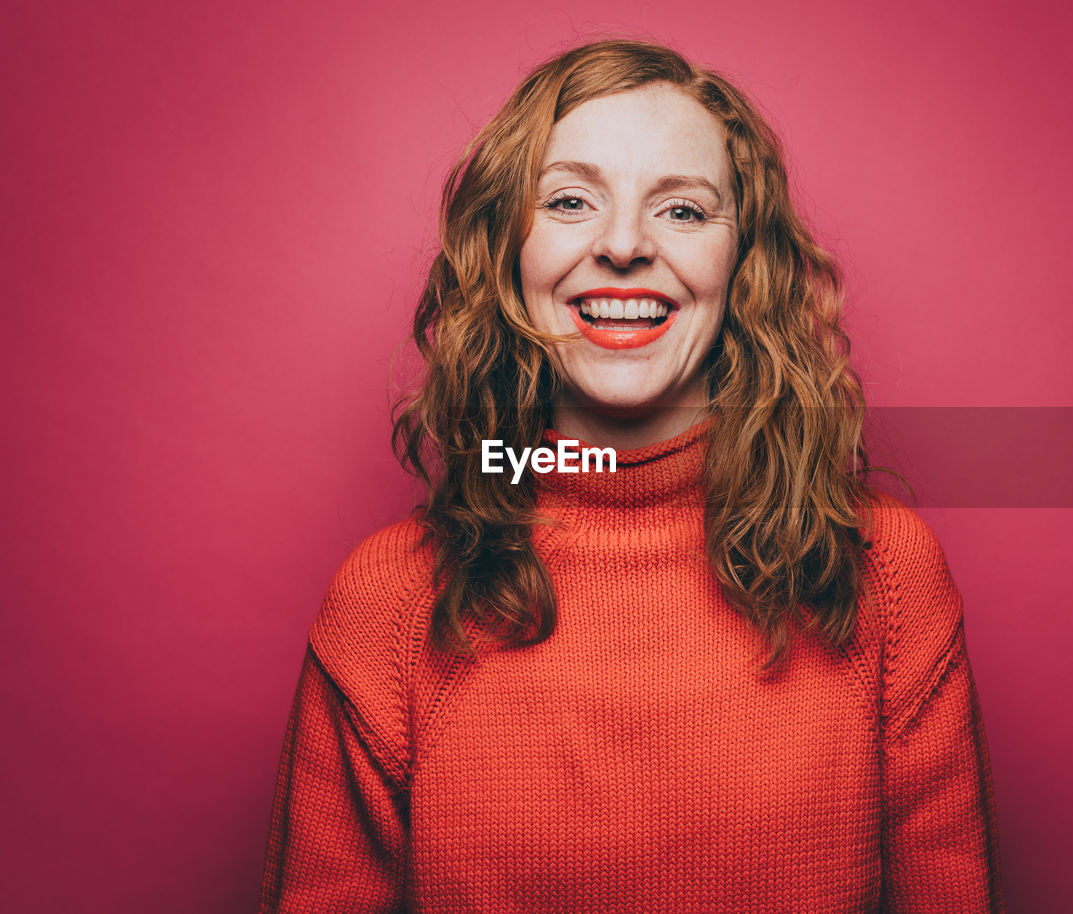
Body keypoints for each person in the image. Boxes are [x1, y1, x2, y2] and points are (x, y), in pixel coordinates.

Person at [259, 38, 1004, 913]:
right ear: (507, 255)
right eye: (571, 201)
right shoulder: (387, 604)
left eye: (682, 212)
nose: (622, 246)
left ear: (744, 266)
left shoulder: (886, 576)